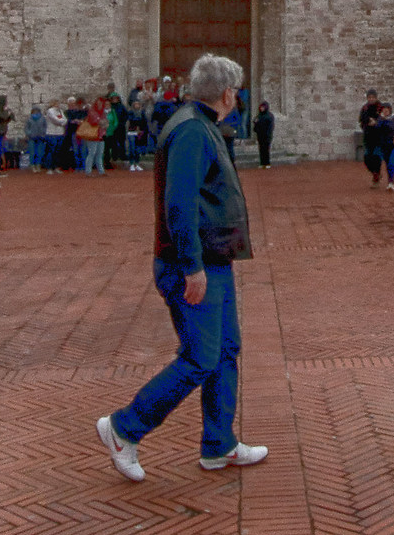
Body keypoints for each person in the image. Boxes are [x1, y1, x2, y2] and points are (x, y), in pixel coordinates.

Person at [97, 54, 267, 480]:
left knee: (225, 352)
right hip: (192, 265)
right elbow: (180, 203)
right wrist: (191, 265)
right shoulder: (192, 130)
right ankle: (124, 427)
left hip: (213, 261)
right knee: (199, 358)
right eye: (236, 91)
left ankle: (219, 444)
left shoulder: (201, 125)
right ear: (227, 93)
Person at [359, 91, 389, 186]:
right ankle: (375, 173)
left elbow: (385, 118)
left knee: (376, 157)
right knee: (367, 158)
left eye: (373, 97)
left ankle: (376, 175)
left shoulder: (381, 107)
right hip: (368, 137)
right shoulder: (365, 108)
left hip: (378, 137)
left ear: (376, 97)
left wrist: (376, 122)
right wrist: (368, 121)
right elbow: (361, 119)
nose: (371, 99)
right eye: (369, 97)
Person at [374, 100, 394, 193]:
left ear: (390, 110)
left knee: (391, 162)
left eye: (387, 109)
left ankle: (391, 183)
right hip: (384, 146)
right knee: (388, 164)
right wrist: (380, 120)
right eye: (384, 109)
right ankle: (390, 182)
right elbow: (377, 131)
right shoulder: (380, 120)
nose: (385, 111)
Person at [254, 98, 275, 168]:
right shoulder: (259, 115)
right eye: (261, 107)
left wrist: (268, 134)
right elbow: (256, 122)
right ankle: (262, 163)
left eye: (263, 107)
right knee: (261, 149)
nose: (261, 109)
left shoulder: (269, 116)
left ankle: (267, 163)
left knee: (266, 149)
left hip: (267, 135)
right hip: (260, 135)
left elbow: (271, 126)